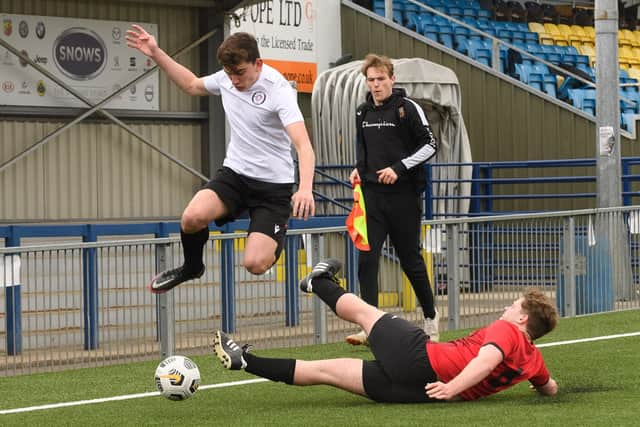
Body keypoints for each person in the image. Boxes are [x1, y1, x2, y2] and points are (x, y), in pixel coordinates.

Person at [126, 26, 316, 293]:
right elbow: (191, 85)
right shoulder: (226, 79)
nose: (235, 81)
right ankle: (192, 267)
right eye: (229, 74)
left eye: (240, 73)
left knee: (255, 264)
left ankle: (274, 236)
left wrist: (305, 188)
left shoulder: (279, 90)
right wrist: (156, 53)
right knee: (191, 217)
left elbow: (303, 145)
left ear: (257, 63)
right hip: (235, 175)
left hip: (272, 188)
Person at [213, 259, 559, 403]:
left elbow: (486, 360)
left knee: (367, 313)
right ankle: (246, 361)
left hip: (422, 360)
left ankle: (316, 282)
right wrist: (542, 385)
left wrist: (453, 387)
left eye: (513, 306)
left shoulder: (507, 331)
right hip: (417, 394)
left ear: (523, 319)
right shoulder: (533, 359)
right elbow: (550, 388)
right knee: (325, 371)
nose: (506, 308)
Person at [347, 54, 439, 344]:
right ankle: (371, 326)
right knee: (367, 260)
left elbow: (430, 145)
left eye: (381, 79)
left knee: (410, 260)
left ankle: (431, 317)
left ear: (392, 79)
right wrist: (358, 171)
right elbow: (365, 151)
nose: (376, 85)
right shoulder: (362, 112)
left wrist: (399, 169)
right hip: (372, 198)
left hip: (404, 198)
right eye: (371, 80)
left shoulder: (407, 108)